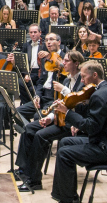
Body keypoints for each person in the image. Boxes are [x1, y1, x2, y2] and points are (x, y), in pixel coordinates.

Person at [51, 60, 107, 203]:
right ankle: (69, 194)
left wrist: (68, 113)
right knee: (65, 142)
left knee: (63, 153)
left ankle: (67, 199)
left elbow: (92, 127)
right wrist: (73, 109)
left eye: (84, 77)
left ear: (94, 75)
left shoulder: (99, 95)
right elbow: (95, 115)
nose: (82, 81)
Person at [16, 51, 85, 192]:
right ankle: (23, 170)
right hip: (60, 119)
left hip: (73, 123)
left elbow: (79, 103)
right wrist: (50, 117)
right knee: (29, 128)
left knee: (40, 136)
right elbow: (61, 105)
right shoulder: (66, 80)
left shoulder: (82, 80)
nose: (63, 63)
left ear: (76, 63)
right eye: (63, 60)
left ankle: (34, 180)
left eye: (66, 61)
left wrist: (64, 90)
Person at [17, 33, 65, 121]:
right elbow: (41, 81)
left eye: (51, 39)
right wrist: (37, 96)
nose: (48, 42)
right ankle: (28, 130)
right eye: (46, 40)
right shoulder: (45, 59)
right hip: (43, 96)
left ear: (59, 42)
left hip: (54, 98)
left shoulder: (65, 58)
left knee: (37, 117)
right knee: (17, 112)